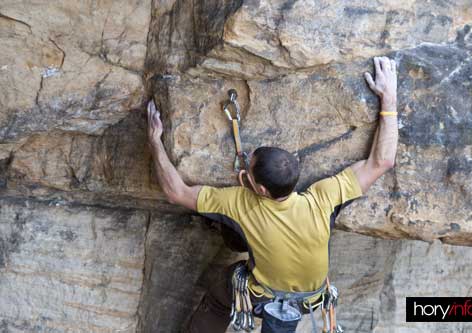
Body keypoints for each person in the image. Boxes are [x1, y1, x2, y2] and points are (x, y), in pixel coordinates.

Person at [147, 56, 399, 332]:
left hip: (261, 298)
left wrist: (155, 140)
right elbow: (382, 162)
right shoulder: (323, 198)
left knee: (221, 291)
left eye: (249, 167)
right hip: (310, 301)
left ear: (261, 189)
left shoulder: (239, 203)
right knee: (243, 246)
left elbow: (176, 191)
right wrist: (389, 97)